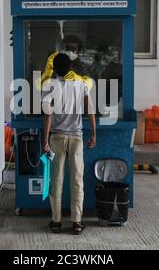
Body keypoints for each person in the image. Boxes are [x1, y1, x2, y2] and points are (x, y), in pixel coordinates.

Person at [42, 53, 96, 235]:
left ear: (55, 69)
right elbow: (90, 111)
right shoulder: (81, 84)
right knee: (77, 181)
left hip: (57, 138)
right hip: (76, 139)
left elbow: (47, 114)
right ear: (70, 68)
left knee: (56, 181)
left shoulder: (51, 85)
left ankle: (56, 222)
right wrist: (94, 134)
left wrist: (45, 142)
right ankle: (77, 223)